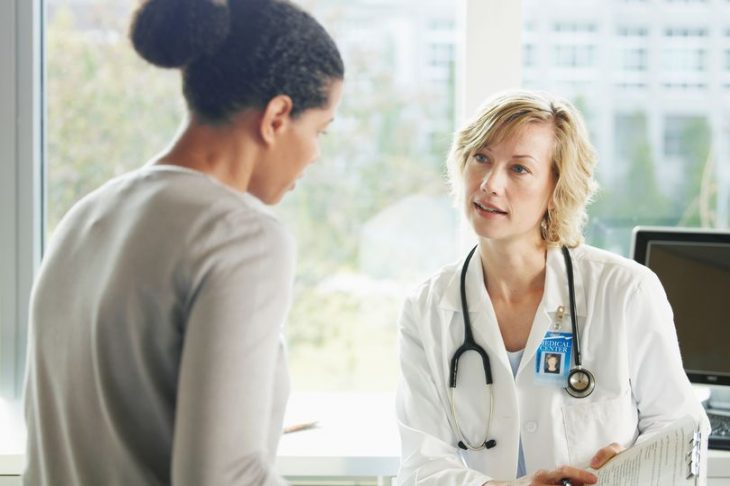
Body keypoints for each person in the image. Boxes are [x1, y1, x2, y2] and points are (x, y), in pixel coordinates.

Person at [23, 0, 343, 485]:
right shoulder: (242, 236)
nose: (316, 155)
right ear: (277, 116)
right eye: (320, 130)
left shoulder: (86, 216)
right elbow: (222, 478)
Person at [395, 90, 710, 485]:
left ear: (556, 187)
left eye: (519, 169)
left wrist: (633, 465)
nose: (490, 183)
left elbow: (683, 435)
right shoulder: (427, 307)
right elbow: (421, 467)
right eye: (482, 158)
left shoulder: (626, 291)